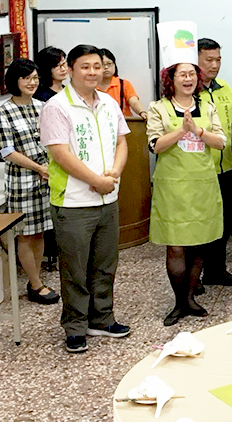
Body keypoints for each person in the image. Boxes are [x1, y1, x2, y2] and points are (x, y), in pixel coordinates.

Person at [40, 44, 130, 353]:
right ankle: (75, 327)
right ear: (70, 70)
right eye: (85, 67)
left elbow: (122, 142)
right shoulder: (56, 106)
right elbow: (60, 154)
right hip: (74, 202)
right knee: (75, 270)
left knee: (105, 265)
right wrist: (96, 181)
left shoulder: (108, 102)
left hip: (108, 199)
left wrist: (114, 175)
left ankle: (102, 319)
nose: (93, 72)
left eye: (97, 66)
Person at [147, 30, 226, 326]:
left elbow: (221, 142)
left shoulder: (207, 106)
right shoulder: (158, 108)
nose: (188, 79)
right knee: (177, 245)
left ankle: (191, 298)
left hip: (203, 183)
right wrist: (181, 130)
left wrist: (199, 132)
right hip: (174, 187)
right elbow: (155, 145)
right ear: (171, 78)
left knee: (199, 243)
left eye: (192, 73)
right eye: (182, 74)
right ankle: (179, 302)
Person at [0, 59, 58, 304]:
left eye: (35, 78)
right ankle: (35, 283)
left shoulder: (43, 106)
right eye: (26, 78)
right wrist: (38, 167)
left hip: (47, 176)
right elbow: (6, 151)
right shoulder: (4, 110)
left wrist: (49, 168)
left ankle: (37, 281)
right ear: (14, 81)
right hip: (22, 179)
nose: (32, 83)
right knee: (25, 233)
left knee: (40, 230)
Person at [197, 38, 232, 288]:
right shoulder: (188, 90)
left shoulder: (224, 87)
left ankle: (216, 271)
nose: (215, 65)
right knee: (201, 223)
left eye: (218, 60)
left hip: (224, 166)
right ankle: (194, 277)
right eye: (209, 60)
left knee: (224, 221)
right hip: (199, 169)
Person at [96, 48, 147, 120]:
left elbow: (134, 102)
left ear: (114, 65)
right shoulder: (91, 86)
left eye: (109, 64)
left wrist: (142, 112)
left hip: (124, 123)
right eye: (102, 65)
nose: (106, 67)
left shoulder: (124, 84)